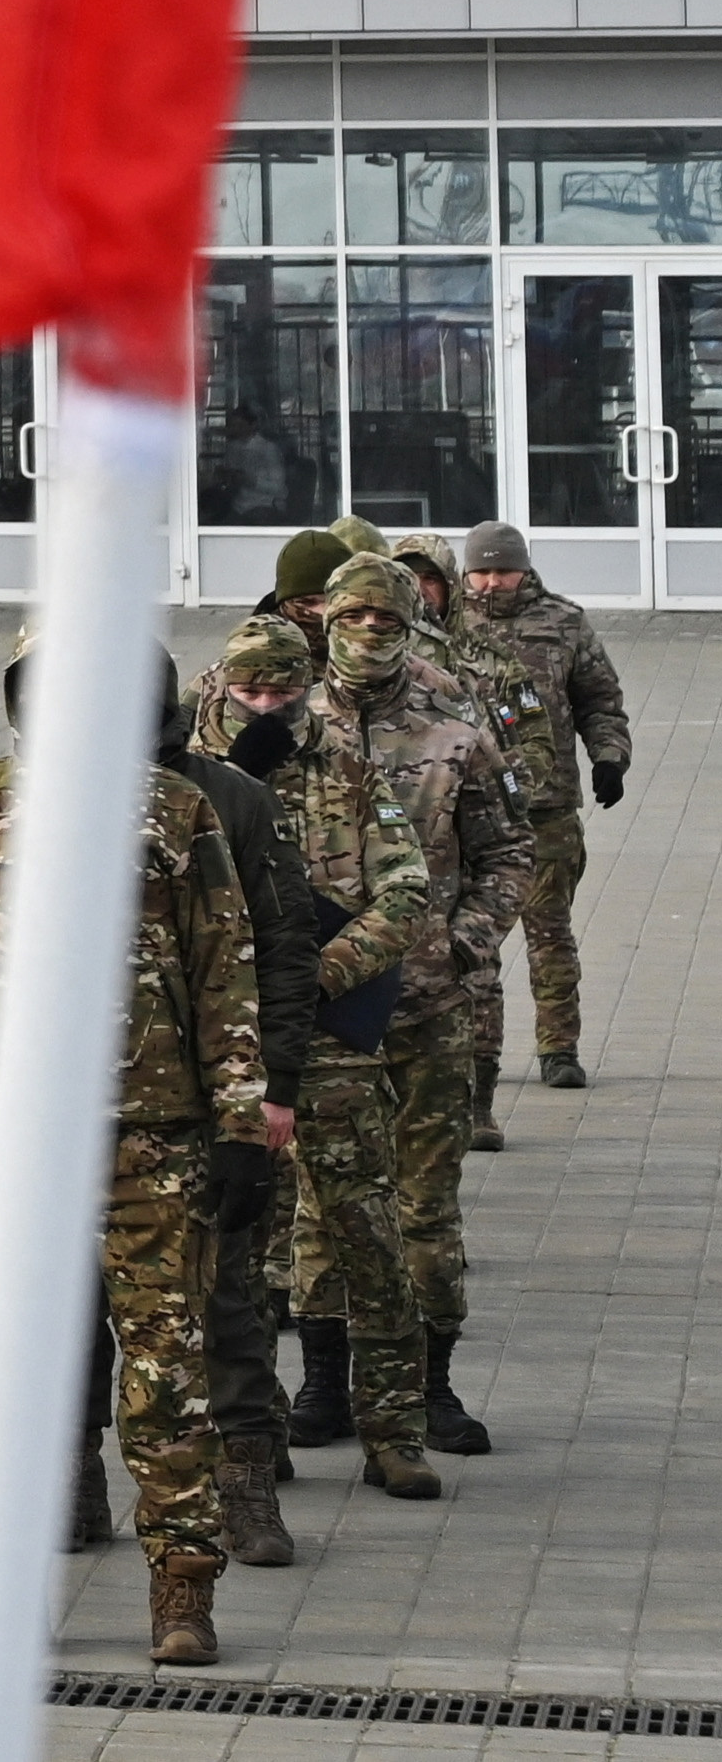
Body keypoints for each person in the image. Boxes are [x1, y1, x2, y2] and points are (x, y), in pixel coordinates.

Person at [0, 650, 279, 1670]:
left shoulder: (175, 810)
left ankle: (181, 1585)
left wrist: (239, 1123)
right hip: (13, 1142)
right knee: (9, 1375)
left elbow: (223, 966)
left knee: (161, 1372)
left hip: (154, 1135)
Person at [293, 550, 523, 1475]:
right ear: (327, 622)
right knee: (321, 1206)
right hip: (323, 1009)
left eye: (386, 621)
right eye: (352, 618)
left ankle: (431, 1385)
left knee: (426, 1205)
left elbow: (510, 851)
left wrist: (465, 944)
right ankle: (322, 1379)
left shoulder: (455, 725)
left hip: (428, 1006)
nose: (369, 635)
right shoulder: (285, 720)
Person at [172, 621, 329, 1569]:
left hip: (211, 1097)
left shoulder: (228, 799)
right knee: (66, 1311)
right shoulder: (5, 800)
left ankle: (246, 1488)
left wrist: (273, 1087)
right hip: (69, 1111)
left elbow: (283, 944)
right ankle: (70, 1479)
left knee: (232, 1299)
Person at [451, 524, 628, 1094]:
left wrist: (609, 757)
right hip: (468, 811)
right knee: (474, 940)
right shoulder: (445, 626)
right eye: (483, 570)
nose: (494, 581)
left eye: (505, 570)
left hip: (545, 808)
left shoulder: (564, 622)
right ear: (465, 572)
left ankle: (559, 1047)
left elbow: (600, 700)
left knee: (549, 933)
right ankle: (478, 1055)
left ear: (525, 569)